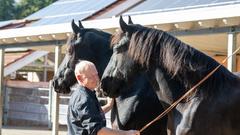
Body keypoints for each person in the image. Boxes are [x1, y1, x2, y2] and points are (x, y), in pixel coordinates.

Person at [67, 60, 140, 135]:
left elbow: (91, 114)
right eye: (92, 76)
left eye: (96, 74)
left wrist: (109, 106)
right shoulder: (84, 99)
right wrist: (127, 133)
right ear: (79, 78)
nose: (96, 79)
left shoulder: (81, 94)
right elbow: (99, 131)